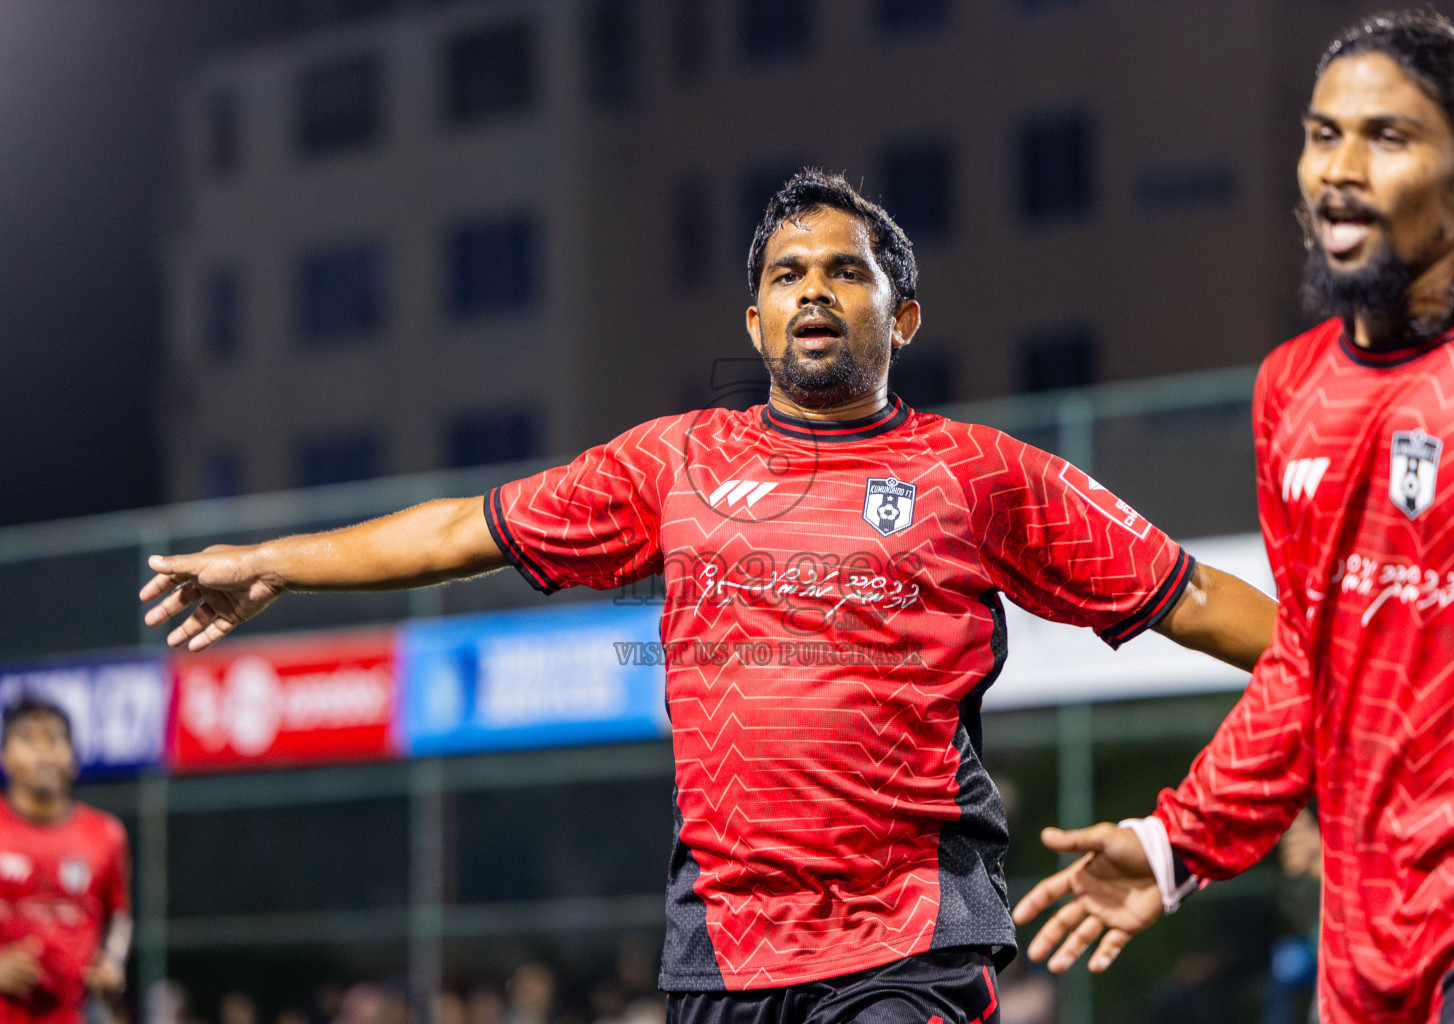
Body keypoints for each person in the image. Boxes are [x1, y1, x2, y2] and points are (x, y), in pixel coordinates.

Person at [140, 170, 1276, 1024]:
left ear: (905, 316)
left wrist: (1352, 669)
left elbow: (1196, 595)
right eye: (788, 275)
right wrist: (275, 560)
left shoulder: (980, 474)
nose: (814, 291)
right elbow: (461, 529)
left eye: (845, 270)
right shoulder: (672, 462)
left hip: (908, 944)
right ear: (755, 324)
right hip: (721, 949)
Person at [1014, 11, 1454, 1024]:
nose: (1341, 166)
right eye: (1322, 133)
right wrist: (1175, 846)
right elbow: (1306, 663)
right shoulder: (1292, 391)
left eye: (1389, 136)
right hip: (1365, 931)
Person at [0, 696, 132, 1024]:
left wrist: (113, 961)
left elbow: (119, 917)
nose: (43, 752)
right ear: (6, 756)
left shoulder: (106, 835)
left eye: (55, 739)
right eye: (28, 739)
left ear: (73, 758)